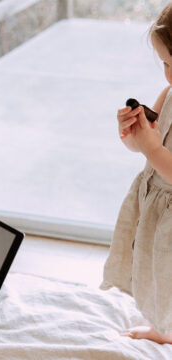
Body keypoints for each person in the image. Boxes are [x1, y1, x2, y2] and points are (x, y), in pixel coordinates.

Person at [101, 3, 172, 345]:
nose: (167, 74)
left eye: (171, 64)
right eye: (163, 64)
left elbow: (158, 153)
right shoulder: (169, 94)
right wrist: (133, 134)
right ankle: (163, 328)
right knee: (160, 275)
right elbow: (150, 144)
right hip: (157, 209)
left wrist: (154, 150)